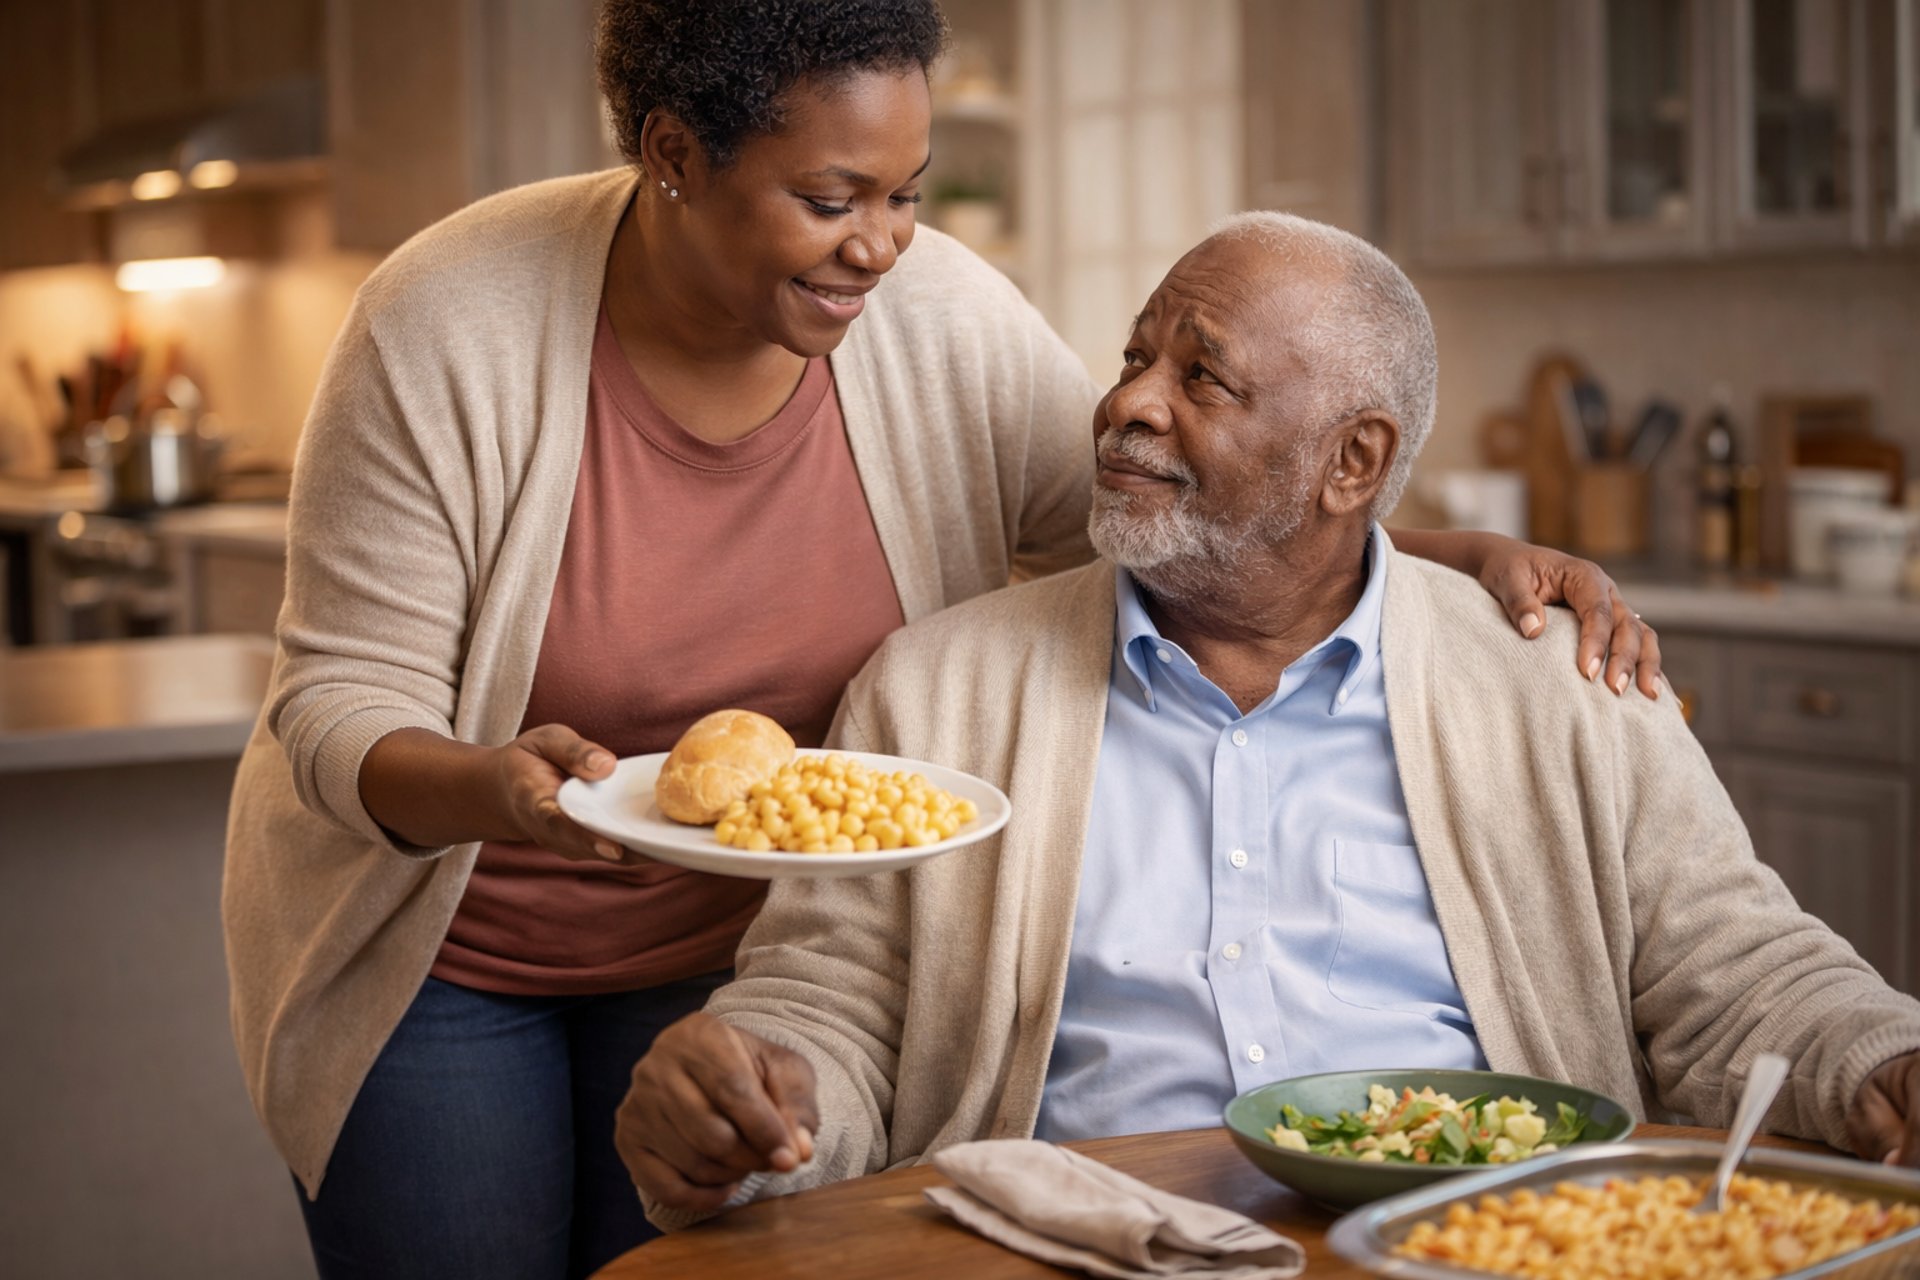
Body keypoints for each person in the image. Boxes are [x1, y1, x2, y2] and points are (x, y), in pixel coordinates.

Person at [223, 5, 1659, 1277]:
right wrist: (510, 795)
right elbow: (340, 702)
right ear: (672, 152)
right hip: (460, 945)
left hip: (760, 954)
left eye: (904, 192)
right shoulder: (446, 319)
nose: (882, 244)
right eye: (830, 195)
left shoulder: (933, 312)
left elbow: (1168, 502)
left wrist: (1435, 557)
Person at [617, 212, 1920, 1232]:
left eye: (1204, 378)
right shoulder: (937, 689)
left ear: (1352, 462)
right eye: (1135, 354)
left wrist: (1883, 1061)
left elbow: (1735, 964)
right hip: (1069, 1247)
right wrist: (766, 1087)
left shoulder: (1554, 680)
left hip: (1468, 1239)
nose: (1129, 401)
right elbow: (834, 999)